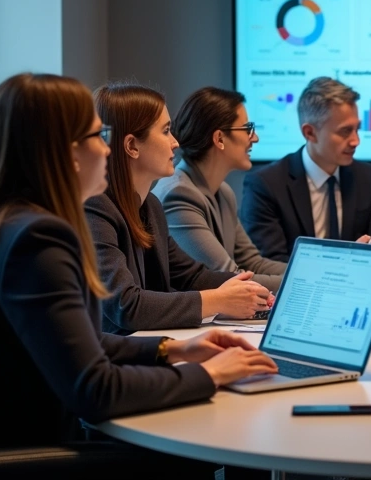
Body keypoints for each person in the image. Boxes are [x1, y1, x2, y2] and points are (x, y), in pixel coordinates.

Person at [0, 73, 277, 454]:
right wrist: (209, 374)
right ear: (62, 151)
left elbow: (82, 342)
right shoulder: (36, 241)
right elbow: (95, 390)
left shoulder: (5, 225)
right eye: (97, 138)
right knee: (183, 457)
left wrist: (173, 349)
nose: (106, 150)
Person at [87, 82, 273, 334]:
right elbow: (126, 305)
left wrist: (252, 291)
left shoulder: (149, 205)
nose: (175, 143)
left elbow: (192, 276)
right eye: (165, 132)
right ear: (132, 146)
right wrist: (219, 300)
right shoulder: (95, 209)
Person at [241, 76, 371, 289]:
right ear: (309, 132)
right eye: (345, 131)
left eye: (357, 129)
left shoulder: (364, 176)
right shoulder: (266, 184)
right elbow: (271, 266)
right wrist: (344, 263)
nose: (356, 141)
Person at [152, 87, 286, 291]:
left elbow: (254, 263)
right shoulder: (178, 195)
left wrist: (318, 273)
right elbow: (229, 279)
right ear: (219, 139)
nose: (255, 138)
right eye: (247, 128)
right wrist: (309, 283)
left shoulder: (223, 192)